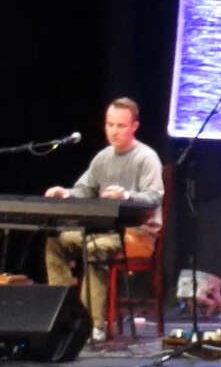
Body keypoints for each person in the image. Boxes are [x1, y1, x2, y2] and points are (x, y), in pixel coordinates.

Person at [44, 97, 164, 342]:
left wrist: (127, 195)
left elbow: (154, 198)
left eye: (121, 126)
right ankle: (67, 315)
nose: (114, 131)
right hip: (101, 230)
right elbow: (84, 189)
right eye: (110, 124)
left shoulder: (146, 157)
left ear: (134, 127)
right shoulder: (102, 158)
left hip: (137, 235)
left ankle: (92, 325)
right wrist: (65, 193)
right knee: (55, 241)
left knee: (95, 248)